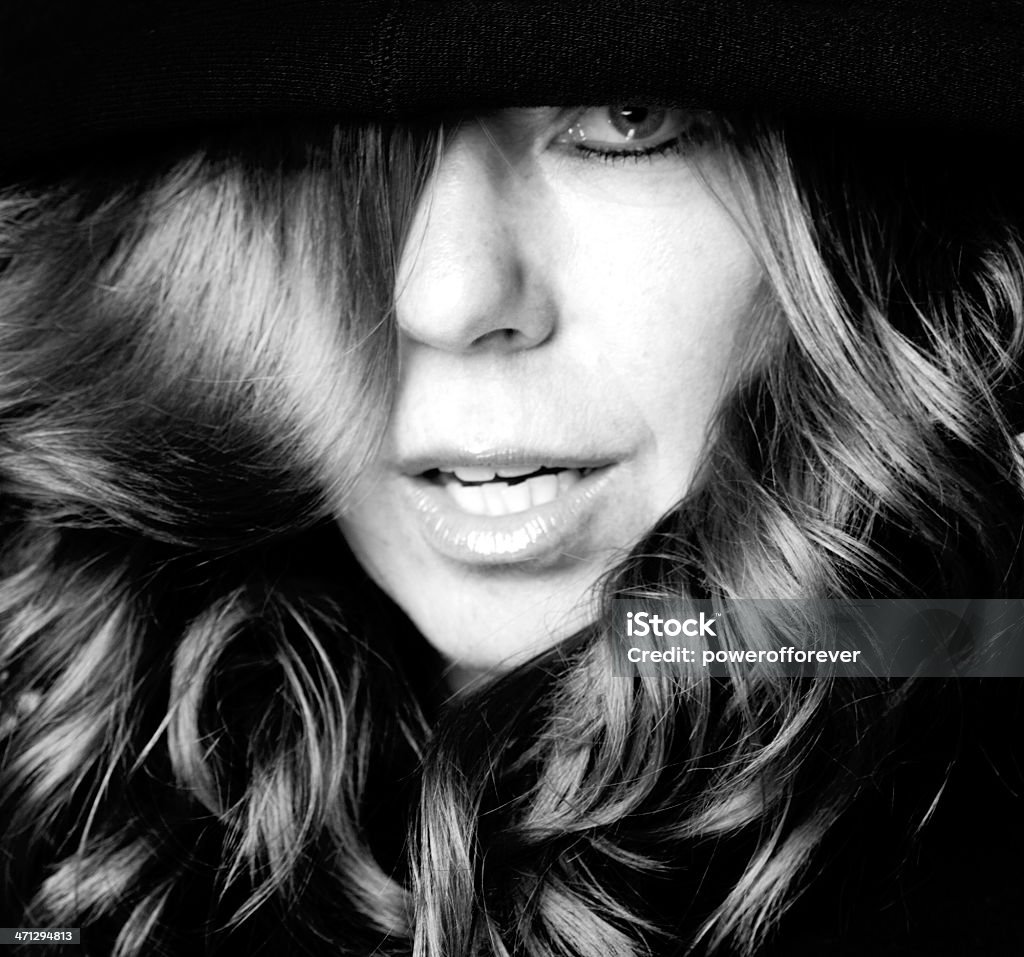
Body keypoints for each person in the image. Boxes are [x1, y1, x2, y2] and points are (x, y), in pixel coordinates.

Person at [1, 3, 1023, 955]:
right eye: (324, 156)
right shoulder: (72, 785)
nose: (444, 297)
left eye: (626, 120)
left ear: (850, 224)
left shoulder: (969, 690)